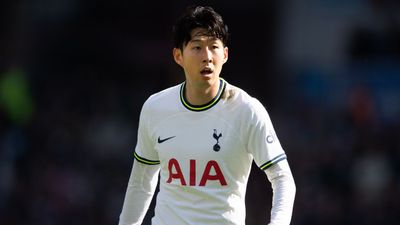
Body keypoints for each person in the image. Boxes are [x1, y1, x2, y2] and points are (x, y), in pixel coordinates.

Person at [118, 5, 296, 225]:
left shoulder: (246, 110)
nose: (207, 57)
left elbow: (282, 178)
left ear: (225, 54)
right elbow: (141, 182)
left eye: (214, 47)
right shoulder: (155, 108)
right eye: (197, 47)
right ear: (178, 55)